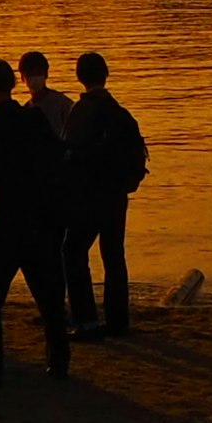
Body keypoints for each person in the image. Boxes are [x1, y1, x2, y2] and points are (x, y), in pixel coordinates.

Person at [0, 57, 73, 384]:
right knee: (50, 296)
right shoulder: (35, 119)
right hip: (39, 219)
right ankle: (58, 361)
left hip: (5, 220)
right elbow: (56, 158)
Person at [63, 51, 146, 338]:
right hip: (116, 193)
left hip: (88, 194)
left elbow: (68, 154)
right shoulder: (119, 112)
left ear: (79, 77)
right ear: (105, 74)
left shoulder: (81, 111)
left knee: (72, 252)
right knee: (114, 255)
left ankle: (86, 320)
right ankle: (118, 321)